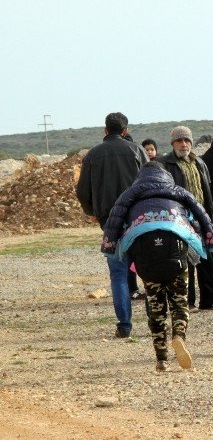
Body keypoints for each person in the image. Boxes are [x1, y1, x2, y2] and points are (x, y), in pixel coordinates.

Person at [102, 162, 213, 371]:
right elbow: (201, 214)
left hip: (145, 256)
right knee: (179, 302)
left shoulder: (131, 193)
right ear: (165, 176)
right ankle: (178, 335)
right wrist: (211, 241)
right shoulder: (177, 191)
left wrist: (110, 246)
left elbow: (115, 217)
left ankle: (161, 359)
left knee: (156, 306)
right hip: (175, 251)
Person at [76, 112, 149, 338]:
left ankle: (124, 325)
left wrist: (93, 213)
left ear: (105, 130)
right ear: (125, 131)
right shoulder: (137, 150)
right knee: (148, 271)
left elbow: (82, 191)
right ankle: (156, 320)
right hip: (139, 218)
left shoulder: (93, 155)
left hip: (110, 221)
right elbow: (151, 180)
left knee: (118, 273)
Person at [157, 126, 213, 310]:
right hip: (180, 218)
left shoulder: (199, 163)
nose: (183, 144)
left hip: (201, 216)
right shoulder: (165, 164)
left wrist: (212, 216)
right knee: (184, 261)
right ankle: (188, 301)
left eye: (186, 141)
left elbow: (207, 192)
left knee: (206, 258)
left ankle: (207, 300)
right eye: (179, 141)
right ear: (172, 143)